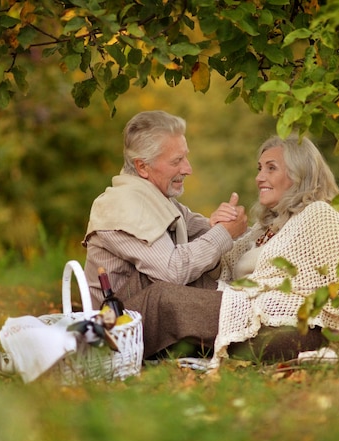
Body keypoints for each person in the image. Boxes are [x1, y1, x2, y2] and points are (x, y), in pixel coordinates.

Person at [82, 110, 248, 358]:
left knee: (206, 284)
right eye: (176, 161)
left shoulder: (155, 198)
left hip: (144, 312)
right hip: (117, 329)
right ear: (142, 166)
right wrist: (223, 234)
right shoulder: (123, 205)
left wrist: (220, 224)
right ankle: (259, 326)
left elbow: (197, 228)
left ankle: (261, 314)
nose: (188, 169)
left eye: (186, 157)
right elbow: (173, 270)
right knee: (169, 295)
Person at [209, 134, 339, 363]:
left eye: (271, 168)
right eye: (260, 168)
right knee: (168, 298)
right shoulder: (265, 227)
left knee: (166, 302)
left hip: (295, 329)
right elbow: (221, 269)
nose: (259, 177)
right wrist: (217, 230)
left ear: (299, 175)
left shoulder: (319, 214)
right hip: (250, 317)